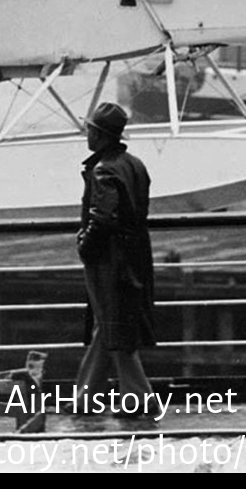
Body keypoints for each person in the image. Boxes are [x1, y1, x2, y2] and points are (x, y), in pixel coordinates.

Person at [71, 101, 157, 419]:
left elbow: (103, 218)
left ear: (102, 135)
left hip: (110, 262)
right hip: (136, 255)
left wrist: (84, 245)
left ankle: (139, 397)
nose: (87, 135)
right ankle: (86, 396)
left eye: (91, 130)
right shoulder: (135, 165)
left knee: (114, 329)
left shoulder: (104, 169)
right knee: (111, 327)